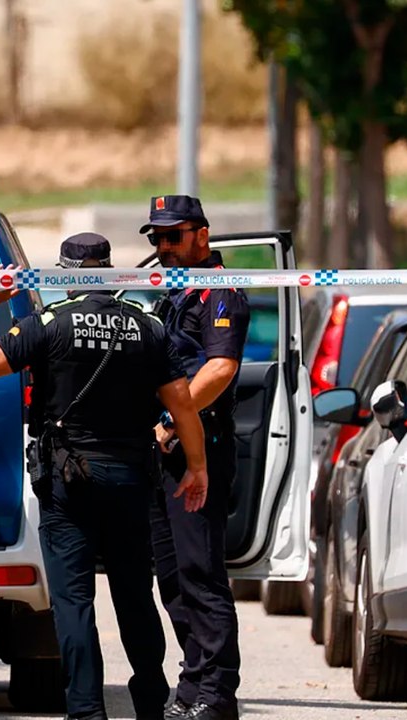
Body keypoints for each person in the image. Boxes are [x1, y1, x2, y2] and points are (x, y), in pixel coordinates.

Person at [0, 232, 211, 720]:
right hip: (130, 479)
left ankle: (86, 711)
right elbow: (182, 403)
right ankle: (149, 705)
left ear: (65, 273)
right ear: (110, 267)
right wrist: (198, 467)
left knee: (74, 602)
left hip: (68, 480)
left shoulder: (51, 323)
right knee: (135, 596)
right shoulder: (147, 326)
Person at [141, 195, 251, 720]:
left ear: (201, 235)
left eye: (173, 236)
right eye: (156, 238)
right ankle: (193, 684)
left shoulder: (219, 290)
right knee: (172, 576)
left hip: (196, 446)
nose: (162, 247)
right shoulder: (173, 291)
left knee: (200, 574)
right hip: (165, 453)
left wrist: (169, 423)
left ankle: (216, 692)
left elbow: (220, 369)